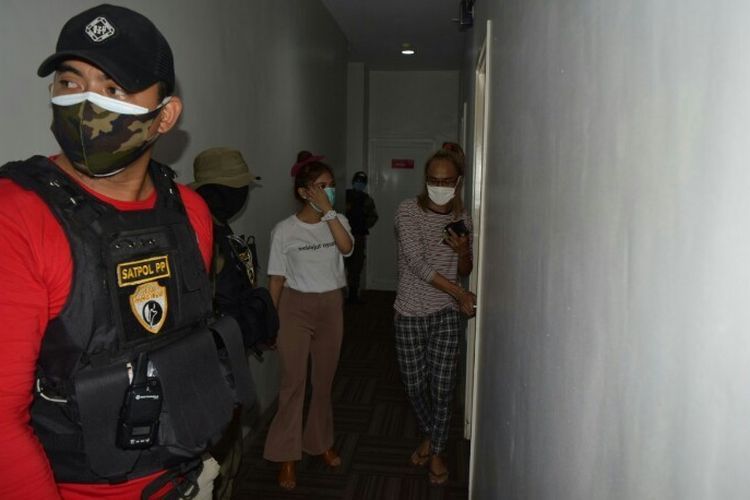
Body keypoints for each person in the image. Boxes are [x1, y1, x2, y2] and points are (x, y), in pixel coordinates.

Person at [0, 5, 252, 499]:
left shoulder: (190, 211)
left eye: (113, 89)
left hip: (188, 476)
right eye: (70, 83)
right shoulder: (18, 217)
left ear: (165, 116)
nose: (85, 103)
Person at [190, 147, 279, 500]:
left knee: (228, 455)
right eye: (236, 187)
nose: (242, 194)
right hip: (208, 366)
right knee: (215, 464)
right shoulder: (195, 232)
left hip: (227, 354)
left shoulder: (218, 227)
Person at [263, 154, 354, 490]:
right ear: (303, 192)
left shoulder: (339, 221)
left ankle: (320, 442)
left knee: (324, 381)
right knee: (293, 383)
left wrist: (329, 213)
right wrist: (270, 323)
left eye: (331, 186)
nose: (328, 191)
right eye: (321, 186)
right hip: (294, 308)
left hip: (331, 305)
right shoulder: (284, 231)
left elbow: (346, 248)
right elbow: (276, 280)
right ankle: (286, 455)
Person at [393, 148, 477, 485]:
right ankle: (432, 434)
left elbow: (465, 269)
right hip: (409, 312)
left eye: (445, 181)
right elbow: (416, 263)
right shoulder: (408, 211)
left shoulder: (463, 219)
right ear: (425, 180)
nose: (438, 186)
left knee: (443, 388)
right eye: (433, 180)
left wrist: (463, 251)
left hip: (445, 314)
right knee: (415, 385)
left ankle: (437, 450)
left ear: (458, 183)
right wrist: (460, 293)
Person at [344, 170, 378, 304]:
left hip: (358, 236)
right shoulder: (344, 195)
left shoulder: (366, 199)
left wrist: (363, 224)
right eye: (358, 181)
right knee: (339, 264)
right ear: (353, 182)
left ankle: (353, 295)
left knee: (356, 265)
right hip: (342, 234)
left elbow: (373, 217)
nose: (359, 184)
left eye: (362, 182)